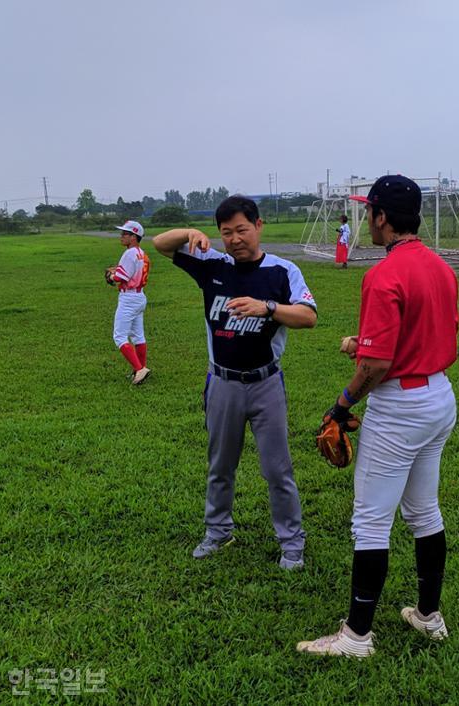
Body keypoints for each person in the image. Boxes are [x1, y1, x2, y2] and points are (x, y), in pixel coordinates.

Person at [297, 175, 459, 657]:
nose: (369, 218)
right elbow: (412, 335)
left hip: (400, 406)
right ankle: (429, 616)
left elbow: (378, 365)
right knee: (423, 510)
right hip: (438, 397)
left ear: (382, 217)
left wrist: (341, 405)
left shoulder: (383, 274)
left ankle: (356, 637)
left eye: (371, 212)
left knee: (370, 522)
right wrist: (359, 345)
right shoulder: (440, 267)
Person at [152, 196, 317, 569]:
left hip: (266, 384)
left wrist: (268, 307)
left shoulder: (281, 271)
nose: (235, 239)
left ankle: (292, 543)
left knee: (278, 470)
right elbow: (160, 244)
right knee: (220, 466)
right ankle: (218, 532)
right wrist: (189, 231)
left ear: (259, 226)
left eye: (242, 230)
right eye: (227, 232)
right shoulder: (214, 265)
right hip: (222, 383)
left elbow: (308, 317)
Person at [109, 220, 151, 385]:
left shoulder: (129, 253)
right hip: (139, 296)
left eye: (125, 234)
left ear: (134, 237)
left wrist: (111, 276)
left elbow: (121, 277)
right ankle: (140, 369)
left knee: (119, 336)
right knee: (138, 335)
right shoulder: (142, 253)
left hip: (129, 298)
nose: (121, 236)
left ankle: (139, 369)